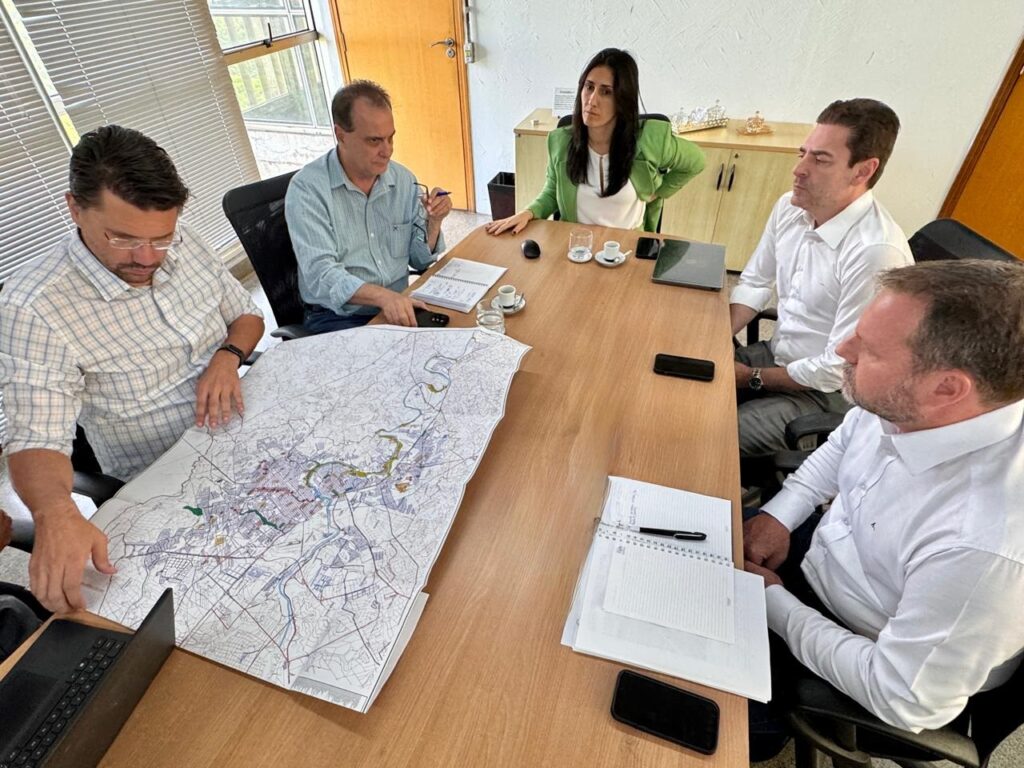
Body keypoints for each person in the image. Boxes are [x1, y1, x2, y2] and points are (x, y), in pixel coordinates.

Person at [743, 259, 1024, 760]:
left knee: (665, 701)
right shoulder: (911, 402)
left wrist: (774, 606)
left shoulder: (984, 546)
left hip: (859, 656)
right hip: (818, 562)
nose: (842, 350)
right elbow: (841, 442)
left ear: (947, 388)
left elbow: (903, 697)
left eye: (867, 349)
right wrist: (779, 514)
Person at [0, 125, 264, 614]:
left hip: (242, 431)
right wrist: (56, 512)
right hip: (164, 475)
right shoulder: (33, 305)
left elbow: (247, 316)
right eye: (123, 238)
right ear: (75, 208)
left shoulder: (181, 242)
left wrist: (228, 357)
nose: (148, 259)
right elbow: (34, 437)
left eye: (160, 239)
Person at [730, 98, 913, 461]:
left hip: (825, 396)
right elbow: (755, 280)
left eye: (820, 159)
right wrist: (714, 338)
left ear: (862, 171)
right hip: (778, 356)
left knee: (706, 433)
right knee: (677, 377)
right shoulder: (790, 207)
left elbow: (836, 369)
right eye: (804, 153)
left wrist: (751, 377)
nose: (799, 169)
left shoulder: (875, 252)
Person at [285, 80, 453, 334]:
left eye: (390, 138)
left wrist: (434, 222)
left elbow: (420, 260)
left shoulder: (403, 180)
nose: (387, 151)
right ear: (341, 135)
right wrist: (383, 297)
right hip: (337, 317)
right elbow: (321, 275)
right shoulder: (308, 190)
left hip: (397, 307)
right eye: (374, 141)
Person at [485, 48, 705, 235]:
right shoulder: (561, 141)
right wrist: (528, 212)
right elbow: (553, 191)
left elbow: (696, 162)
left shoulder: (650, 140)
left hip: (626, 249)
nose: (592, 100)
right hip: (576, 247)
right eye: (589, 87)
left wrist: (659, 191)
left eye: (606, 92)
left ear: (623, 99)